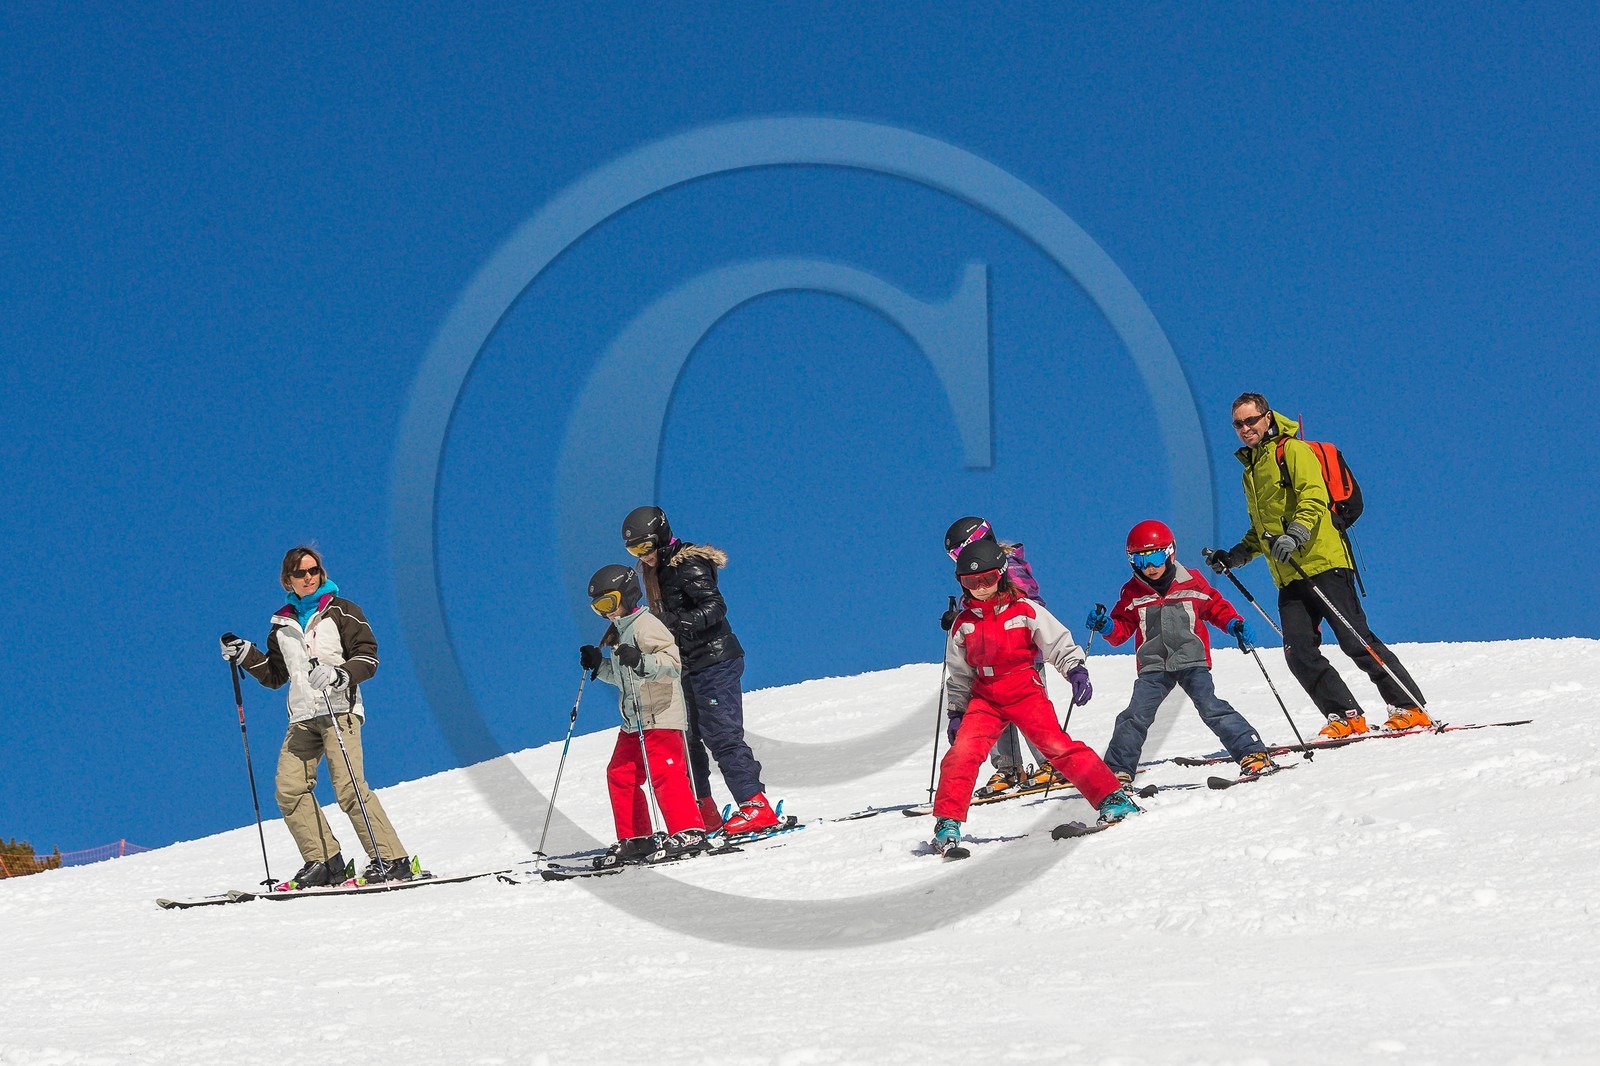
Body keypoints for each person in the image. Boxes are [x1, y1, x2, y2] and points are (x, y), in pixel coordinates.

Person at [1205, 393, 1429, 739]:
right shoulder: (1250, 469)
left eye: (1251, 420)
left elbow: (1313, 497)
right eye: (1238, 424)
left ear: (1267, 418)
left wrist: (1295, 534)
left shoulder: (1292, 451)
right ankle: (1345, 715)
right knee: (1298, 652)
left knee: (1355, 639)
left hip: (1322, 561)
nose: (1245, 428)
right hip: (1288, 573)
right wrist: (1234, 555)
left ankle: (1410, 706)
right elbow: (1262, 530)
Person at [931, 539, 1140, 855]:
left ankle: (1113, 798)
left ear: (1001, 575)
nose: (981, 588)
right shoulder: (963, 624)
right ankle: (948, 824)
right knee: (963, 753)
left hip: (1024, 689)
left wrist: (1075, 671)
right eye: (971, 582)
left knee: (1057, 746)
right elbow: (959, 673)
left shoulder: (1025, 610)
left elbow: (1057, 643)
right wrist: (957, 712)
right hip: (985, 697)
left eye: (987, 579)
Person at [220, 546, 412, 887]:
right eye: (300, 573)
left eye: (313, 570)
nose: (308, 577)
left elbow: (368, 657)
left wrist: (340, 674)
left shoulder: (343, 611)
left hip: (339, 708)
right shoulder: (281, 625)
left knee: (349, 787)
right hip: (303, 715)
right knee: (289, 789)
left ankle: (392, 860)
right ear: (287, 580)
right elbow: (275, 675)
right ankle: (324, 862)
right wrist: (246, 654)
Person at [621, 506, 775, 836]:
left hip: (715, 659)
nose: (642, 555)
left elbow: (715, 606)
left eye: (645, 547)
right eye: (634, 550)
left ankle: (755, 805)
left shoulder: (685, 563)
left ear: (661, 537)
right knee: (687, 740)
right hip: (686, 665)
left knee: (721, 733)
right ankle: (702, 811)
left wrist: (678, 623)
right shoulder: (656, 572)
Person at [1085, 520, 1276, 781]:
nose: (1150, 567)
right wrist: (1106, 626)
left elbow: (1215, 607)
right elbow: (1120, 632)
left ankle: (1251, 751)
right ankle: (1117, 772)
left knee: (1210, 706)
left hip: (1191, 659)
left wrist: (1234, 624)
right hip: (1153, 666)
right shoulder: (1132, 593)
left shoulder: (1191, 581)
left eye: (1154, 557)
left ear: (1170, 553)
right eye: (1141, 560)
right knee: (1135, 716)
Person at [579, 565, 707, 864]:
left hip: (661, 714)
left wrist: (641, 659)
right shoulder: (619, 631)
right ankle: (637, 838)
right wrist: (600, 666)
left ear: (627, 594)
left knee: (665, 773)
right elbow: (627, 677)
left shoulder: (646, 624)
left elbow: (671, 664)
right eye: (598, 608)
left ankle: (689, 831)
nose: (606, 613)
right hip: (633, 722)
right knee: (620, 774)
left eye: (609, 603)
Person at [941, 516, 1060, 796]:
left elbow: (1020, 604)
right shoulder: (976, 576)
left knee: (1028, 712)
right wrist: (959, 619)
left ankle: (1051, 763)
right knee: (994, 710)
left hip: (1021, 655)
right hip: (988, 658)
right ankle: (1008, 767)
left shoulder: (1010, 569)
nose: (960, 559)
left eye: (961, 551)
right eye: (954, 556)